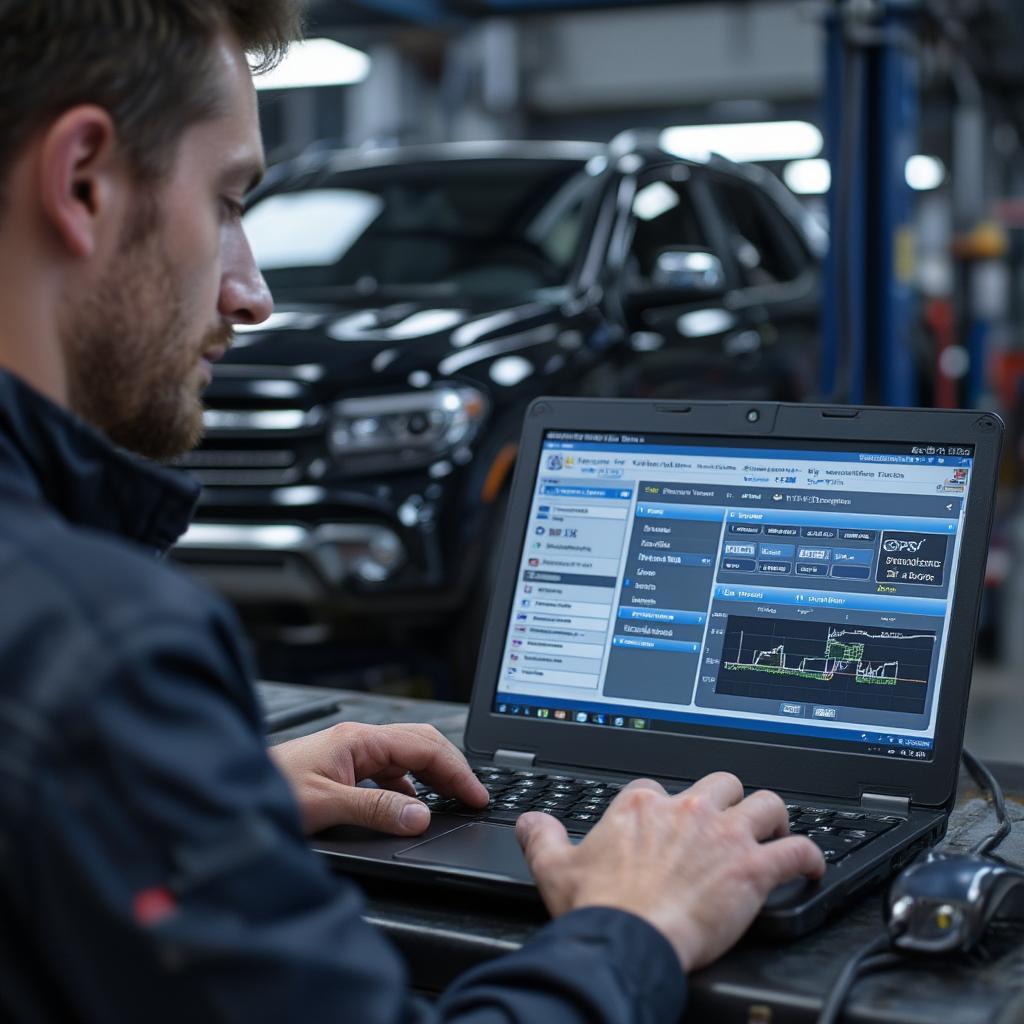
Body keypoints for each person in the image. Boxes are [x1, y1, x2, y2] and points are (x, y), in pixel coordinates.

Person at [0, 3, 825, 1021]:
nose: (255, 295)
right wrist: (634, 925)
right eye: (225, 202)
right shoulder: (98, 655)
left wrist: (194, 794)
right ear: (82, 180)